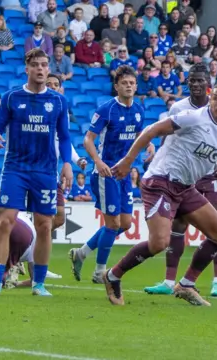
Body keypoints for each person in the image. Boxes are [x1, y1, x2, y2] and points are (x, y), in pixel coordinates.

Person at [102, 83, 217, 307]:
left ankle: (186, 284)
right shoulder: (193, 118)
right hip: (160, 181)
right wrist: (128, 161)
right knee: (159, 243)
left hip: (185, 188)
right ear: (210, 98)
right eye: (216, 98)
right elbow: (152, 130)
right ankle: (113, 276)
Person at [0, 49, 74, 297]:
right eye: (35, 65)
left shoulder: (58, 101)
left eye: (44, 65)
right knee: (5, 222)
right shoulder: (11, 97)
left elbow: (65, 136)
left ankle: (39, 284)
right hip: (15, 169)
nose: (41, 69)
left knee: (45, 225)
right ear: (27, 68)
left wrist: (67, 163)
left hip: (45, 171)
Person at [143, 64, 217, 297]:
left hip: (210, 174)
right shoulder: (179, 107)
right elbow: (167, 137)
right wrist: (159, 160)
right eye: (192, 80)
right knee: (178, 226)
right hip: (181, 174)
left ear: (209, 86)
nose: (195, 84)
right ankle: (169, 280)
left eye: (200, 80)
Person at [68, 65, 152, 284]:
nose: (129, 86)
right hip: (106, 173)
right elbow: (88, 139)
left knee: (125, 224)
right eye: (124, 83)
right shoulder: (107, 109)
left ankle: (82, 253)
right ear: (116, 86)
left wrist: (148, 143)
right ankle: (99, 271)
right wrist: (98, 161)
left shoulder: (139, 110)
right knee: (113, 224)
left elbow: (138, 134)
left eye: (132, 83)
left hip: (124, 173)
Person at [45, 73, 87, 230]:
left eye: (55, 84)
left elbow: (63, 140)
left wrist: (76, 160)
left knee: (59, 218)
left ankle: (34, 245)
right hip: (37, 172)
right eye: (48, 84)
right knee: (43, 218)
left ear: (60, 88)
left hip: (52, 174)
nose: (52, 87)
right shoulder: (36, 107)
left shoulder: (62, 110)